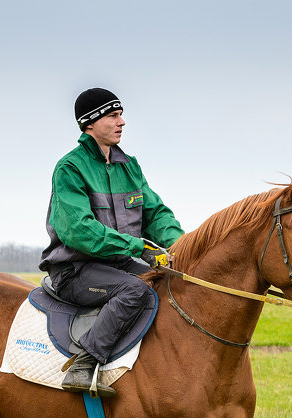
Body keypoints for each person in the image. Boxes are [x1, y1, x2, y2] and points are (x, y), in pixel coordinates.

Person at [39, 87, 184, 398]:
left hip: (118, 265)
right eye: (113, 115)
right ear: (90, 123)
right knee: (136, 290)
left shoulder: (128, 166)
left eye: (121, 114)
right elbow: (80, 232)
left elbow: (155, 213)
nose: (122, 122)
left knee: (172, 284)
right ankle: (84, 363)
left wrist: (183, 246)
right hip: (75, 271)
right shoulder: (70, 168)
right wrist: (139, 248)